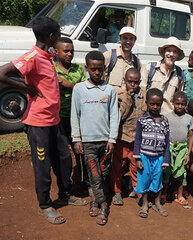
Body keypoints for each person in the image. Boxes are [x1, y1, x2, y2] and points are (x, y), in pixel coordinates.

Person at [0, 16, 86, 225]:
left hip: (53, 120)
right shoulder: (32, 57)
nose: (59, 38)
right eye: (57, 34)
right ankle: (45, 205)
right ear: (51, 36)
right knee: (42, 164)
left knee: (64, 159)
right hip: (38, 123)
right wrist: (25, 87)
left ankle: (65, 194)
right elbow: (2, 73)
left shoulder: (47, 55)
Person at [71, 51, 120, 226]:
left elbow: (114, 116)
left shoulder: (109, 90)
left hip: (105, 141)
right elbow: (74, 115)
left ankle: (94, 201)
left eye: (100, 69)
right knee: (94, 174)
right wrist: (77, 138)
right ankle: (104, 205)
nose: (97, 73)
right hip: (88, 142)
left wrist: (112, 139)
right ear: (87, 69)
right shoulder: (79, 89)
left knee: (103, 174)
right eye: (93, 69)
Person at [54, 37, 90, 193]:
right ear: (56, 52)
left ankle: (86, 182)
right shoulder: (52, 69)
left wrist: (67, 85)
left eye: (72, 51)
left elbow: (84, 90)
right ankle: (65, 187)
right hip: (59, 118)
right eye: (66, 51)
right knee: (63, 156)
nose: (69, 54)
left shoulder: (78, 69)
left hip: (77, 118)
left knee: (81, 152)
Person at [111, 68, 147, 205]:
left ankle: (137, 190)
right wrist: (128, 98)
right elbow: (118, 116)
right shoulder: (120, 95)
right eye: (130, 81)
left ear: (140, 82)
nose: (133, 85)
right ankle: (117, 192)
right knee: (118, 166)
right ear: (125, 81)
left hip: (137, 140)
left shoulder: (144, 96)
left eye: (136, 82)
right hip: (122, 138)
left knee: (136, 166)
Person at [133, 88, 170, 218]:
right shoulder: (142, 120)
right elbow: (137, 140)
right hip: (144, 157)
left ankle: (157, 203)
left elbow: (167, 142)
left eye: (158, 104)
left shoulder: (165, 122)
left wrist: (165, 160)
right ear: (147, 103)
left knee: (157, 180)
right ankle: (144, 204)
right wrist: (137, 159)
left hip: (159, 157)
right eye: (152, 104)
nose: (155, 107)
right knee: (144, 180)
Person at [163, 91, 193, 206]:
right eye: (177, 104)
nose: (180, 106)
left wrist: (188, 153)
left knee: (181, 172)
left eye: (182, 104)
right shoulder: (167, 118)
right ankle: (164, 193)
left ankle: (180, 194)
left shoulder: (189, 119)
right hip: (169, 147)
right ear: (173, 103)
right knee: (166, 171)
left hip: (182, 149)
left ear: (185, 104)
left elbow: (191, 136)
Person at [140, 36, 185, 115]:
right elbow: (141, 92)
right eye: (169, 50)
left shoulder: (179, 74)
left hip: (168, 117)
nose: (171, 54)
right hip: (149, 116)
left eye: (175, 52)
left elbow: (178, 98)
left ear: (177, 55)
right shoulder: (150, 68)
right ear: (164, 52)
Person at [104, 26, 140, 95]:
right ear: (120, 39)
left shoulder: (136, 62)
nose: (128, 42)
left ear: (134, 41)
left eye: (131, 39)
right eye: (125, 38)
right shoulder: (108, 56)